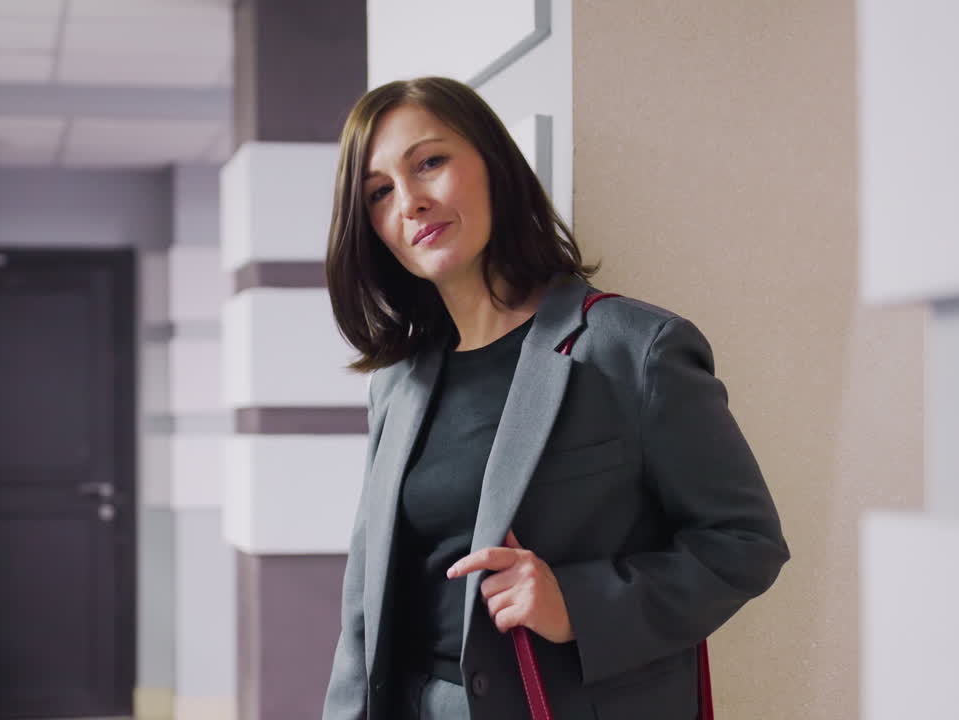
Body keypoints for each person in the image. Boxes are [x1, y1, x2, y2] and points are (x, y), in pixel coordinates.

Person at [321, 76, 789, 720]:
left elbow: (745, 542)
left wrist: (580, 603)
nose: (411, 202)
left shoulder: (635, 349)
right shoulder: (397, 384)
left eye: (429, 162)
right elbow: (365, 601)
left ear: (494, 161)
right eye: (379, 192)